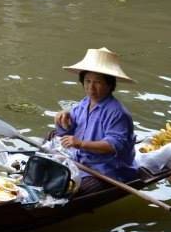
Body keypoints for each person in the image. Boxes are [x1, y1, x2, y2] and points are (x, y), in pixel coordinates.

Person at [54, 47, 138, 194]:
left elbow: (114, 145)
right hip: (81, 161)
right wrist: (62, 120)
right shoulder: (84, 104)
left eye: (97, 82)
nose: (91, 87)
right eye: (87, 81)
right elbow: (68, 131)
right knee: (51, 134)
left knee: (72, 192)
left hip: (106, 170)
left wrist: (80, 143)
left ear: (109, 85)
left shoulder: (117, 113)